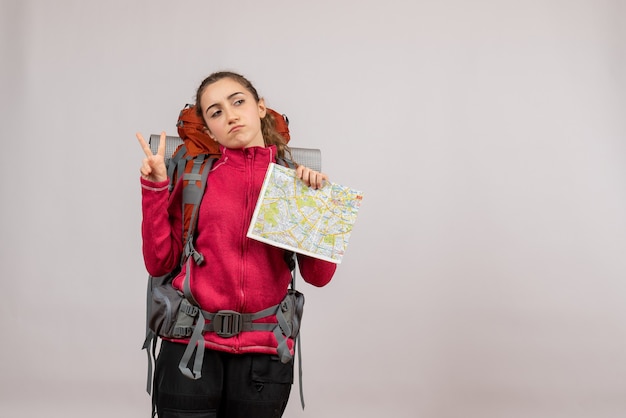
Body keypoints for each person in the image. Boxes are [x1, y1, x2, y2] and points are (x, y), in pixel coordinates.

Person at [136, 71, 337, 418]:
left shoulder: (292, 180)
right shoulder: (195, 174)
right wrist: (155, 188)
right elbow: (159, 263)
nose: (229, 115)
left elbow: (319, 276)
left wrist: (315, 205)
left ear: (260, 108)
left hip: (265, 357)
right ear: (209, 128)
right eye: (214, 112)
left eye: (238, 102)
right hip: (190, 350)